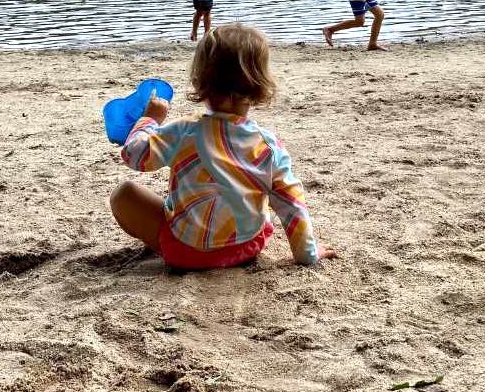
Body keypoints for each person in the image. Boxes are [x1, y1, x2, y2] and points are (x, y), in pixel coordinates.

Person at [110, 23, 336, 270]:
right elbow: (292, 205)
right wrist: (308, 254)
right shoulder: (269, 147)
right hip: (247, 247)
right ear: (259, 85)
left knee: (124, 194)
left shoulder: (184, 131)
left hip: (185, 253)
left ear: (199, 81)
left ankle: (172, 244)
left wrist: (149, 120)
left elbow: (134, 156)